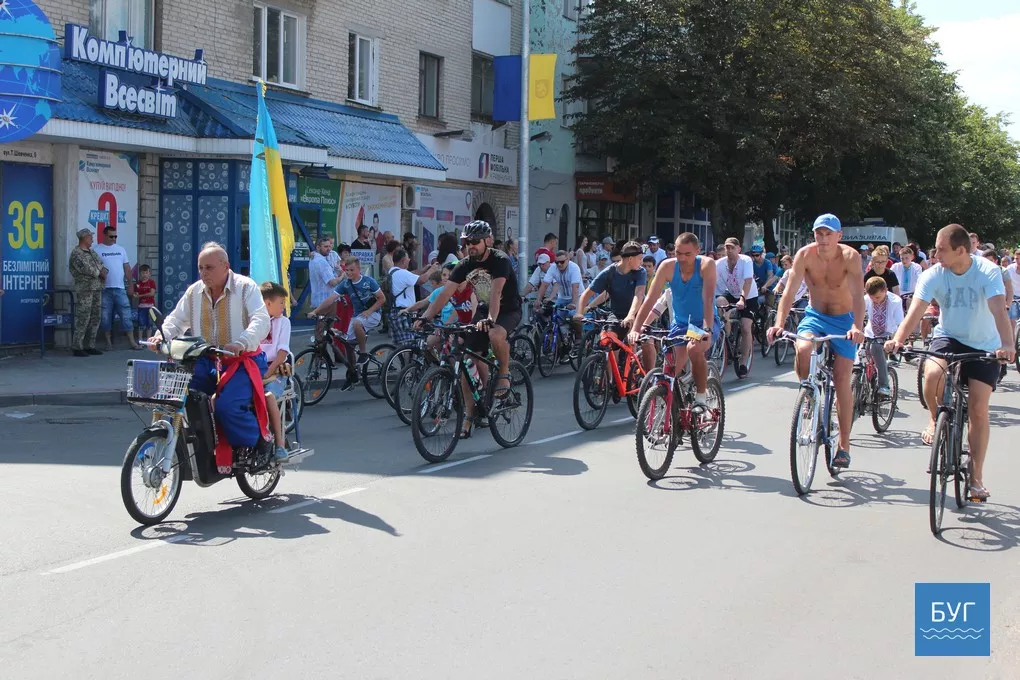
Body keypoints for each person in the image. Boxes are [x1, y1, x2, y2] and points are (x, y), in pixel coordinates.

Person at [886, 224, 1015, 501]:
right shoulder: (933, 274)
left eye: (941, 249)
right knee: (932, 374)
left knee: (978, 409)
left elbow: (997, 309)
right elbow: (915, 311)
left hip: (984, 343)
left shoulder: (988, 271)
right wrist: (897, 340)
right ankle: (935, 418)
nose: (935, 255)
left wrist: (1007, 344)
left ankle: (976, 478)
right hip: (949, 336)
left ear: (961, 250)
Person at [149, 243, 272, 472]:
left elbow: (261, 320)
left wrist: (241, 342)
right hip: (206, 360)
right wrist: (161, 336)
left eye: (209, 268)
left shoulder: (246, 287)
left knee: (227, 407)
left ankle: (259, 441)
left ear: (226, 266)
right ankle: (196, 445)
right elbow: (176, 320)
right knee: (178, 396)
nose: (203, 273)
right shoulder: (194, 292)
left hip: (242, 361)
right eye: (200, 268)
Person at [767, 213, 865, 469]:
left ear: (839, 236)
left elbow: (858, 296)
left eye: (828, 234)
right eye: (819, 233)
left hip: (844, 320)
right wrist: (778, 324)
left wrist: (857, 326)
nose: (823, 238)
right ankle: (809, 392)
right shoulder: (805, 255)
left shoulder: (850, 257)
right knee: (803, 347)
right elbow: (789, 292)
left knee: (842, 379)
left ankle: (844, 445)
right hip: (815, 316)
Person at [416, 221, 520, 436]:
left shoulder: (500, 260)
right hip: (484, 310)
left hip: (508, 310)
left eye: (475, 241)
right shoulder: (465, 264)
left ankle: (504, 372)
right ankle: (469, 417)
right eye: (466, 242)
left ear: (487, 241)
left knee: (495, 334)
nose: (470, 245)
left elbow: (496, 292)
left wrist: (491, 319)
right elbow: (445, 293)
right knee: (466, 361)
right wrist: (426, 317)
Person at [630, 232, 718, 405]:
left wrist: (707, 329)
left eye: (688, 254)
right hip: (680, 323)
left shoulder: (706, 265)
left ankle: (701, 397)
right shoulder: (667, 267)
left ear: (698, 251)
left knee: (694, 348)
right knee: (669, 373)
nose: (682, 258)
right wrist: (636, 328)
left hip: (702, 323)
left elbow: (708, 300)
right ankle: (673, 412)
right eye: (678, 253)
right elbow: (650, 300)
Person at [308, 256, 385, 390]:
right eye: (347, 270)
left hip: (373, 314)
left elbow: (382, 299)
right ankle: (353, 373)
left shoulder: (369, 281)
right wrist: (316, 311)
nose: (349, 273)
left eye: (352, 270)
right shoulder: (345, 284)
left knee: (357, 324)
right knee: (348, 344)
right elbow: (331, 299)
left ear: (359, 269)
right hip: (357, 316)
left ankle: (363, 353)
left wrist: (369, 311)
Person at [577, 241, 654, 372]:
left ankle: (649, 377)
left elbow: (639, 294)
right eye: (640, 259)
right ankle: (611, 381)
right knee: (609, 344)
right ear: (630, 259)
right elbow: (587, 294)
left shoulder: (640, 272)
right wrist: (579, 312)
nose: (642, 263)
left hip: (639, 312)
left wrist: (631, 315)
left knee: (645, 342)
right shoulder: (609, 272)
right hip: (617, 313)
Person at [259, 282, 293, 462]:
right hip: (255, 366)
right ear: (268, 303)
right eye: (281, 302)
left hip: (276, 369)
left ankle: (280, 444)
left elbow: (282, 353)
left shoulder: (284, 322)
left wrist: (269, 372)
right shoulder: (255, 321)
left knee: (268, 396)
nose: (283, 307)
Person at [715, 237, 758, 378]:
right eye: (727, 247)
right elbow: (711, 281)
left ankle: (744, 362)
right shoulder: (719, 264)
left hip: (749, 295)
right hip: (731, 293)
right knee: (719, 302)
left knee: (745, 327)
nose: (729, 250)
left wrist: (742, 299)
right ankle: (726, 333)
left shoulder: (746, 261)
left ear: (739, 249)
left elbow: (748, 281)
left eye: (732, 247)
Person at [94, 225, 139, 350]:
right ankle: (108, 343)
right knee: (105, 317)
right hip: (104, 290)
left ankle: (132, 342)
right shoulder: (96, 250)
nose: (114, 239)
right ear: (104, 235)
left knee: (126, 315)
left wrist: (130, 285)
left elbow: (127, 268)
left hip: (120, 288)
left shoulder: (121, 249)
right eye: (111, 236)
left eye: (115, 236)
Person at [536, 249, 585, 355]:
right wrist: (538, 300)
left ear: (568, 260)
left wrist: (573, 303)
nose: (559, 264)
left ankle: (578, 338)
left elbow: (575, 287)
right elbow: (544, 285)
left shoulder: (574, 268)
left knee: (574, 316)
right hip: (562, 297)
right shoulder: (553, 268)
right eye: (557, 262)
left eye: (562, 262)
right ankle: (561, 341)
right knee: (554, 317)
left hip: (577, 296)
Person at [862, 276, 902, 397]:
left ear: (885, 290)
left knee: (875, 348)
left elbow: (900, 324)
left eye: (878, 297)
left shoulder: (895, 301)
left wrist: (895, 340)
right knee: (859, 356)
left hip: (888, 335)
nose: (875, 300)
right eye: (871, 297)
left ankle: (884, 385)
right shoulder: (866, 299)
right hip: (870, 333)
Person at [387, 247, 437, 344]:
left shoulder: (392, 271)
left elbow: (412, 274)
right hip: (404, 313)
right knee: (408, 344)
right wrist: (432, 270)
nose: (409, 260)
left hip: (394, 312)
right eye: (408, 258)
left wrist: (424, 270)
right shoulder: (402, 273)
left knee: (399, 345)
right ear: (403, 260)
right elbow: (422, 280)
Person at [68, 228, 105, 357]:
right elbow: (88, 270)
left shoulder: (92, 252)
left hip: (96, 288)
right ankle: (77, 346)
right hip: (85, 289)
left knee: (95, 317)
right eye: (90, 237)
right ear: (84, 238)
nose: (92, 239)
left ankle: (90, 345)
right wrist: (99, 272)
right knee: (83, 317)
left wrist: (102, 271)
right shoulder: (76, 254)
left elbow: (101, 264)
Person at [309, 237, 342, 308]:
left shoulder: (313, 258)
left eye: (330, 246)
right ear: (318, 247)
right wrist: (343, 276)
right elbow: (332, 283)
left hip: (319, 300)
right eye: (326, 246)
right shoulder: (321, 262)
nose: (329, 249)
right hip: (326, 301)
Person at [134, 264, 157, 340]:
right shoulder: (137, 284)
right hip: (141, 307)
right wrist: (135, 295)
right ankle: (140, 340)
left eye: (146, 273)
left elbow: (152, 293)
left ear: (150, 274)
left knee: (150, 324)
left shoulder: (152, 282)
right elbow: (135, 294)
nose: (144, 275)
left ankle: (149, 340)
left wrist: (140, 295)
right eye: (143, 273)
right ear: (140, 274)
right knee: (141, 324)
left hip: (151, 307)